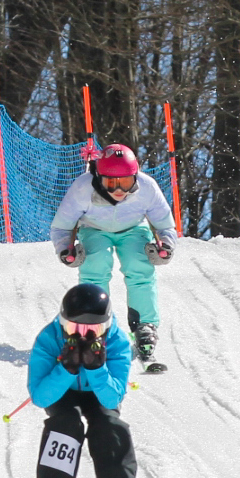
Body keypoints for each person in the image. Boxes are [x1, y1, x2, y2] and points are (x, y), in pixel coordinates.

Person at [27, 283, 141, 478]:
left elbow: (112, 399)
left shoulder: (117, 341)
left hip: (99, 392)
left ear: (107, 325)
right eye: (75, 328)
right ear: (62, 321)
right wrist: (66, 369)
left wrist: (97, 368)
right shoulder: (49, 338)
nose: (84, 335)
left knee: (110, 425)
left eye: (94, 330)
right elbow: (41, 397)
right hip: (63, 392)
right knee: (65, 424)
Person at [50, 143, 178, 367]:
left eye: (126, 182)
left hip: (133, 229)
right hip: (94, 229)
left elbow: (165, 224)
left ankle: (144, 326)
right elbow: (61, 226)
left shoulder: (147, 187)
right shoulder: (83, 188)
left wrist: (166, 247)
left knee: (139, 265)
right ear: (99, 177)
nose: (119, 191)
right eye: (111, 183)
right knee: (95, 264)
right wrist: (65, 249)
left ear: (135, 177)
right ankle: (91, 324)